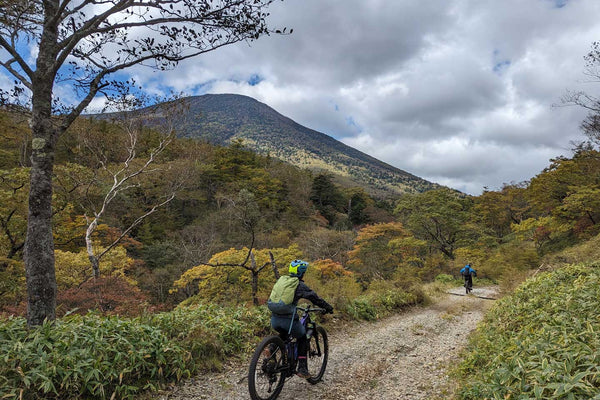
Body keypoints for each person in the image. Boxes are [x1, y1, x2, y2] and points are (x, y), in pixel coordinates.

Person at [267, 259, 333, 379]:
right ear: (302, 272)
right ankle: (302, 368)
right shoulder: (299, 284)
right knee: (302, 336)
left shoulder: (282, 280)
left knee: (284, 333)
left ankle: (272, 348)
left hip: (275, 319)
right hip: (288, 321)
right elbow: (314, 298)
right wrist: (328, 307)